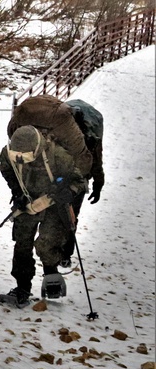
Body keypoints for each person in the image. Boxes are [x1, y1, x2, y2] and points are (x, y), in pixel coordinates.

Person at [0, 125, 85, 308]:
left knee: (47, 244)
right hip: (27, 203)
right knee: (22, 244)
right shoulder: (8, 152)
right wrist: (16, 190)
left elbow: (79, 181)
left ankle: (51, 275)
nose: (21, 159)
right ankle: (22, 287)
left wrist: (68, 192)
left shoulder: (58, 155)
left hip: (53, 204)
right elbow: (5, 168)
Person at [60, 99, 104, 268]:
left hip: (74, 179)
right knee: (71, 216)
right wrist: (98, 182)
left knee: (68, 215)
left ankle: (63, 252)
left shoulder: (88, 135)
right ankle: (65, 253)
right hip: (77, 178)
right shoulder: (90, 135)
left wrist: (98, 183)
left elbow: (96, 158)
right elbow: (97, 160)